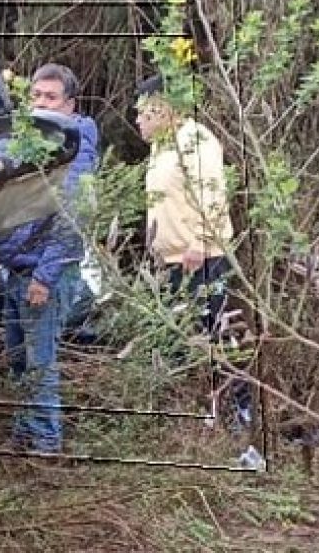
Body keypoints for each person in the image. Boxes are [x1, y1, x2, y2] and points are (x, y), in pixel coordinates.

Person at [0, 63, 100, 454]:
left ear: (70, 104)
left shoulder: (75, 142)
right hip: (15, 269)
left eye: (50, 97)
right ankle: (24, 436)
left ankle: (46, 447)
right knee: (18, 362)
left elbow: (73, 212)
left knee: (40, 365)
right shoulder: (30, 139)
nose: (41, 103)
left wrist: (45, 277)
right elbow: (9, 201)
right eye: (35, 96)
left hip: (44, 274)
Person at [135, 74, 251, 426]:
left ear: (164, 107)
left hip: (201, 259)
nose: (138, 120)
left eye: (143, 112)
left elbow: (212, 195)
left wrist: (199, 244)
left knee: (216, 333)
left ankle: (239, 413)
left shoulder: (195, 140)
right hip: (170, 261)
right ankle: (201, 413)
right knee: (187, 339)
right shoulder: (162, 146)